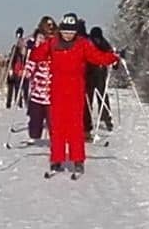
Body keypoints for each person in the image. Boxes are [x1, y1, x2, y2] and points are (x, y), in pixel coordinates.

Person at [28, 12, 118, 176]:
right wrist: (33, 48)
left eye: (71, 32)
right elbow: (37, 56)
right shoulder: (53, 43)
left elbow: (97, 57)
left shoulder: (82, 44)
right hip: (57, 90)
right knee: (57, 127)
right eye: (65, 32)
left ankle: (78, 160)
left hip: (76, 90)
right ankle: (57, 159)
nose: (68, 35)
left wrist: (114, 57)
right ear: (61, 31)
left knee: (75, 127)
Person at [23, 16, 56, 141]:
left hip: (53, 87)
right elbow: (31, 58)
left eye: (52, 25)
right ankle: (34, 136)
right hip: (38, 86)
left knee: (53, 117)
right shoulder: (37, 40)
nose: (50, 28)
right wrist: (28, 70)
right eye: (47, 25)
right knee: (36, 116)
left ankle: (55, 137)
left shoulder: (57, 40)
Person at [86, 26, 116, 134]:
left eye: (98, 38)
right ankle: (87, 122)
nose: (97, 40)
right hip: (89, 75)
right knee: (88, 99)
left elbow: (111, 54)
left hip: (100, 75)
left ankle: (106, 118)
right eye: (95, 38)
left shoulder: (104, 43)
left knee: (102, 97)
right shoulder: (88, 43)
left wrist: (115, 62)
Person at [7, 27, 29, 107]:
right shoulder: (15, 48)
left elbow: (26, 57)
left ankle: (25, 102)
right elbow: (12, 59)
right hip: (17, 70)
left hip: (24, 70)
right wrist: (11, 68)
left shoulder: (25, 46)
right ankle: (18, 102)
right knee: (17, 87)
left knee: (25, 88)